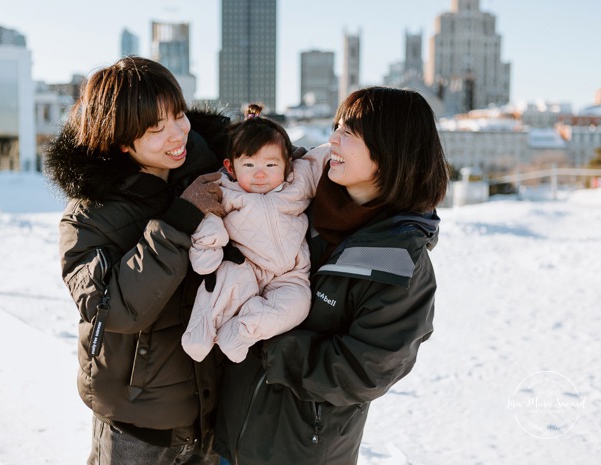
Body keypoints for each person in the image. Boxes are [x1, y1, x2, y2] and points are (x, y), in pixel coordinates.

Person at [213, 87, 450, 465]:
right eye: (336, 126)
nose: (332, 139)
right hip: (226, 439)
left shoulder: (399, 260)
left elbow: (365, 370)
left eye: (349, 133)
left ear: (391, 150)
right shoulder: (294, 205)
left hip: (300, 452)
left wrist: (266, 344)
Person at [45, 56, 230, 465]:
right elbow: (114, 309)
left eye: (179, 116)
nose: (177, 134)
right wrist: (178, 222)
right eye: (155, 129)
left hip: (213, 414)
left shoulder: (212, 170)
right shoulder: (89, 216)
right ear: (122, 142)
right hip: (136, 427)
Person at [181, 104, 320, 364]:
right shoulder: (223, 189)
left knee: (299, 304)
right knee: (221, 288)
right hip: (245, 265)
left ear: (287, 164)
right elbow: (208, 216)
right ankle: (200, 332)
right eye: (249, 164)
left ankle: (240, 332)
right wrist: (207, 246)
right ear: (231, 167)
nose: (260, 173)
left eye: (270, 164)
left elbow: (322, 158)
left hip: (290, 274)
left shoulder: (298, 181)